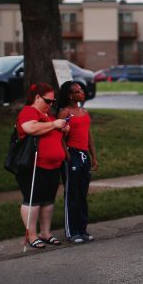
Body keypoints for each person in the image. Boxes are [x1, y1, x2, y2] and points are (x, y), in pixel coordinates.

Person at [16, 83, 69, 249]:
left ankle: (45, 233)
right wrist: (54, 125)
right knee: (33, 200)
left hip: (53, 165)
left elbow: (53, 133)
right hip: (34, 165)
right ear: (37, 98)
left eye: (53, 102)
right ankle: (31, 235)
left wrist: (63, 127)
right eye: (48, 100)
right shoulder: (29, 111)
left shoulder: (47, 115)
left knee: (48, 201)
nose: (51, 104)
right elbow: (29, 128)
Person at [57, 81, 99, 244]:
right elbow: (59, 137)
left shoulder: (84, 111)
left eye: (81, 90)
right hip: (71, 155)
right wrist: (67, 155)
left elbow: (88, 135)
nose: (82, 92)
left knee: (82, 194)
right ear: (70, 95)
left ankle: (82, 229)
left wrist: (93, 156)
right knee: (72, 194)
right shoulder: (64, 113)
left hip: (84, 156)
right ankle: (72, 232)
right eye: (77, 91)